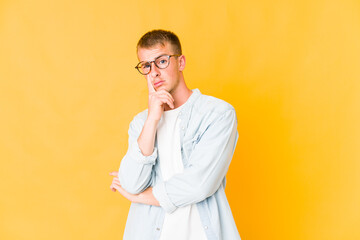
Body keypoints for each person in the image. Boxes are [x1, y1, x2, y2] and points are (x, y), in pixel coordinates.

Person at [109, 29, 241, 240]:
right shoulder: (141, 123)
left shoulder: (217, 114)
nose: (154, 72)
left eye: (161, 61)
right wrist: (153, 119)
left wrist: (140, 197)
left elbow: (199, 185)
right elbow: (132, 182)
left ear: (180, 62)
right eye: (146, 65)